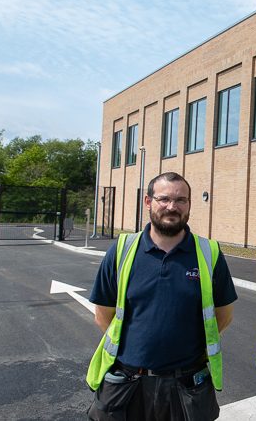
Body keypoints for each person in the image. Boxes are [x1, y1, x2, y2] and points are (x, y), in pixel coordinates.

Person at [86, 172, 237, 421]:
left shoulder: (209, 253)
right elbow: (104, 315)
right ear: (148, 202)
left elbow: (224, 317)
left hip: (186, 388)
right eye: (164, 199)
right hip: (127, 386)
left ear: (189, 205)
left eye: (181, 200)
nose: (172, 206)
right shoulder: (122, 251)